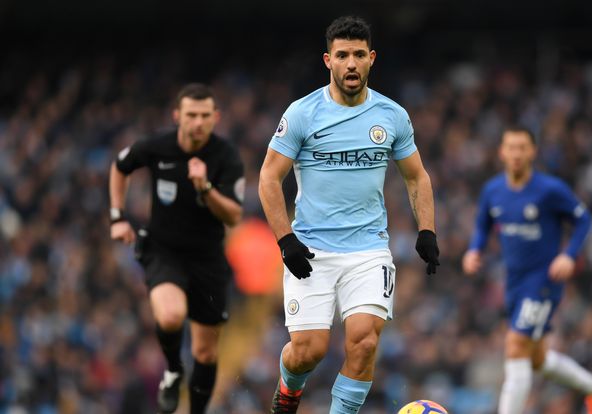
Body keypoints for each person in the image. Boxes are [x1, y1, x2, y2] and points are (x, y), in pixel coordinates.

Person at [258, 15, 439, 414]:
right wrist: (285, 240)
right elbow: (269, 178)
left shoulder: (391, 116)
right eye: (343, 55)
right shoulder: (303, 113)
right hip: (310, 251)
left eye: (359, 54)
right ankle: (289, 389)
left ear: (372, 58)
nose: (351, 63)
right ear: (328, 61)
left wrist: (427, 231)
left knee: (365, 341)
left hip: (367, 250)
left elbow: (416, 177)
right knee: (308, 351)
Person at [109, 83, 245, 414]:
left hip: (207, 258)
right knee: (170, 316)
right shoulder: (157, 147)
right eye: (190, 115)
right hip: (163, 250)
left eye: (204, 116)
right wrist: (117, 216)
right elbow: (120, 167)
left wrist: (206, 188)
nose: (197, 122)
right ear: (177, 116)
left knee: (206, 353)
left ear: (215, 118)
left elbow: (234, 214)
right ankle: (172, 369)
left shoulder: (226, 157)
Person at [462, 127, 592, 414]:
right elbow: (482, 224)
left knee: (516, 345)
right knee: (537, 360)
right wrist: (474, 250)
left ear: (532, 152)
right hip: (515, 282)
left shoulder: (550, 190)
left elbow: (583, 220)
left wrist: (569, 255)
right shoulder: (493, 191)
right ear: (502, 152)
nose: (517, 154)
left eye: (522, 147)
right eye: (511, 147)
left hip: (544, 280)